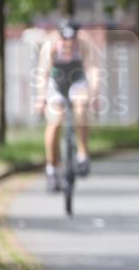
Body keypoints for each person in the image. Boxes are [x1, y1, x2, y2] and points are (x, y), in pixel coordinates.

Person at [34, 19, 99, 192]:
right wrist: (40, 98)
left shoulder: (84, 42)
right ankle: (51, 168)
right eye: (65, 39)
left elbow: (92, 69)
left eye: (72, 40)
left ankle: (82, 155)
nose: (68, 44)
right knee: (55, 122)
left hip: (77, 81)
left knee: (81, 107)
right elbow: (43, 72)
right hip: (56, 83)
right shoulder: (51, 43)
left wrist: (94, 94)